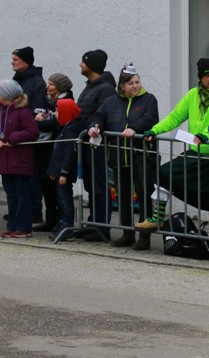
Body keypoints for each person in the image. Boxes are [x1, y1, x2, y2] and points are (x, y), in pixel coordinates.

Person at [138, 58, 209, 257]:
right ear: (200, 77)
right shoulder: (192, 95)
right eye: (207, 75)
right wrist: (154, 130)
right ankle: (157, 217)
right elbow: (175, 117)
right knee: (165, 172)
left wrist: (205, 135)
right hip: (197, 153)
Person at [88, 63, 159, 249]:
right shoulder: (111, 102)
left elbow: (151, 119)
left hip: (141, 154)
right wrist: (95, 127)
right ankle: (128, 233)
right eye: (130, 83)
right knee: (123, 195)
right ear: (122, 86)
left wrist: (134, 128)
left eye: (137, 82)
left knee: (143, 194)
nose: (135, 86)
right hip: (119, 155)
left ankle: (145, 237)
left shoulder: (149, 100)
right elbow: (98, 116)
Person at [73, 49, 115, 238]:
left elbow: (102, 115)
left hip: (97, 144)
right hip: (87, 143)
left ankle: (102, 226)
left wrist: (92, 127)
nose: (80, 64)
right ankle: (93, 221)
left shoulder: (104, 88)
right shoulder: (91, 86)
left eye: (83, 61)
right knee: (91, 184)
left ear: (91, 65)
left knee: (99, 185)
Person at [34, 73, 76, 235]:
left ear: (60, 87)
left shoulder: (66, 103)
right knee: (46, 186)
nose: (47, 87)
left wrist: (40, 122)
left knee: (59, 191)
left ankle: (62, 222)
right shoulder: (48, 101)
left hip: (56, 151)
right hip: (46, 150)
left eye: (51, 84)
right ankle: (51, 219)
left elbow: (56, 123)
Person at [12, 46, 49, 229]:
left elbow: (36, 110)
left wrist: (29, 127)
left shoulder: (36, 82)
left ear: (26, 62)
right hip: (19, 135)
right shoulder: (19, 79)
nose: (12, 62)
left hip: (30, 136)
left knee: (32, 174)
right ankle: (20, 210)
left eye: (16, 59)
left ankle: (34, 212)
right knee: (20, 175)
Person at [0, 79, 39, 238]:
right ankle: (12, 224)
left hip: (20, 160)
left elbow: (32, 131)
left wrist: (12, 138)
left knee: (22, 194)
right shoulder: (3, 111)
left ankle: (24, 226)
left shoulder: (22, 112)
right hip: (5, 160)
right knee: (10, 193)